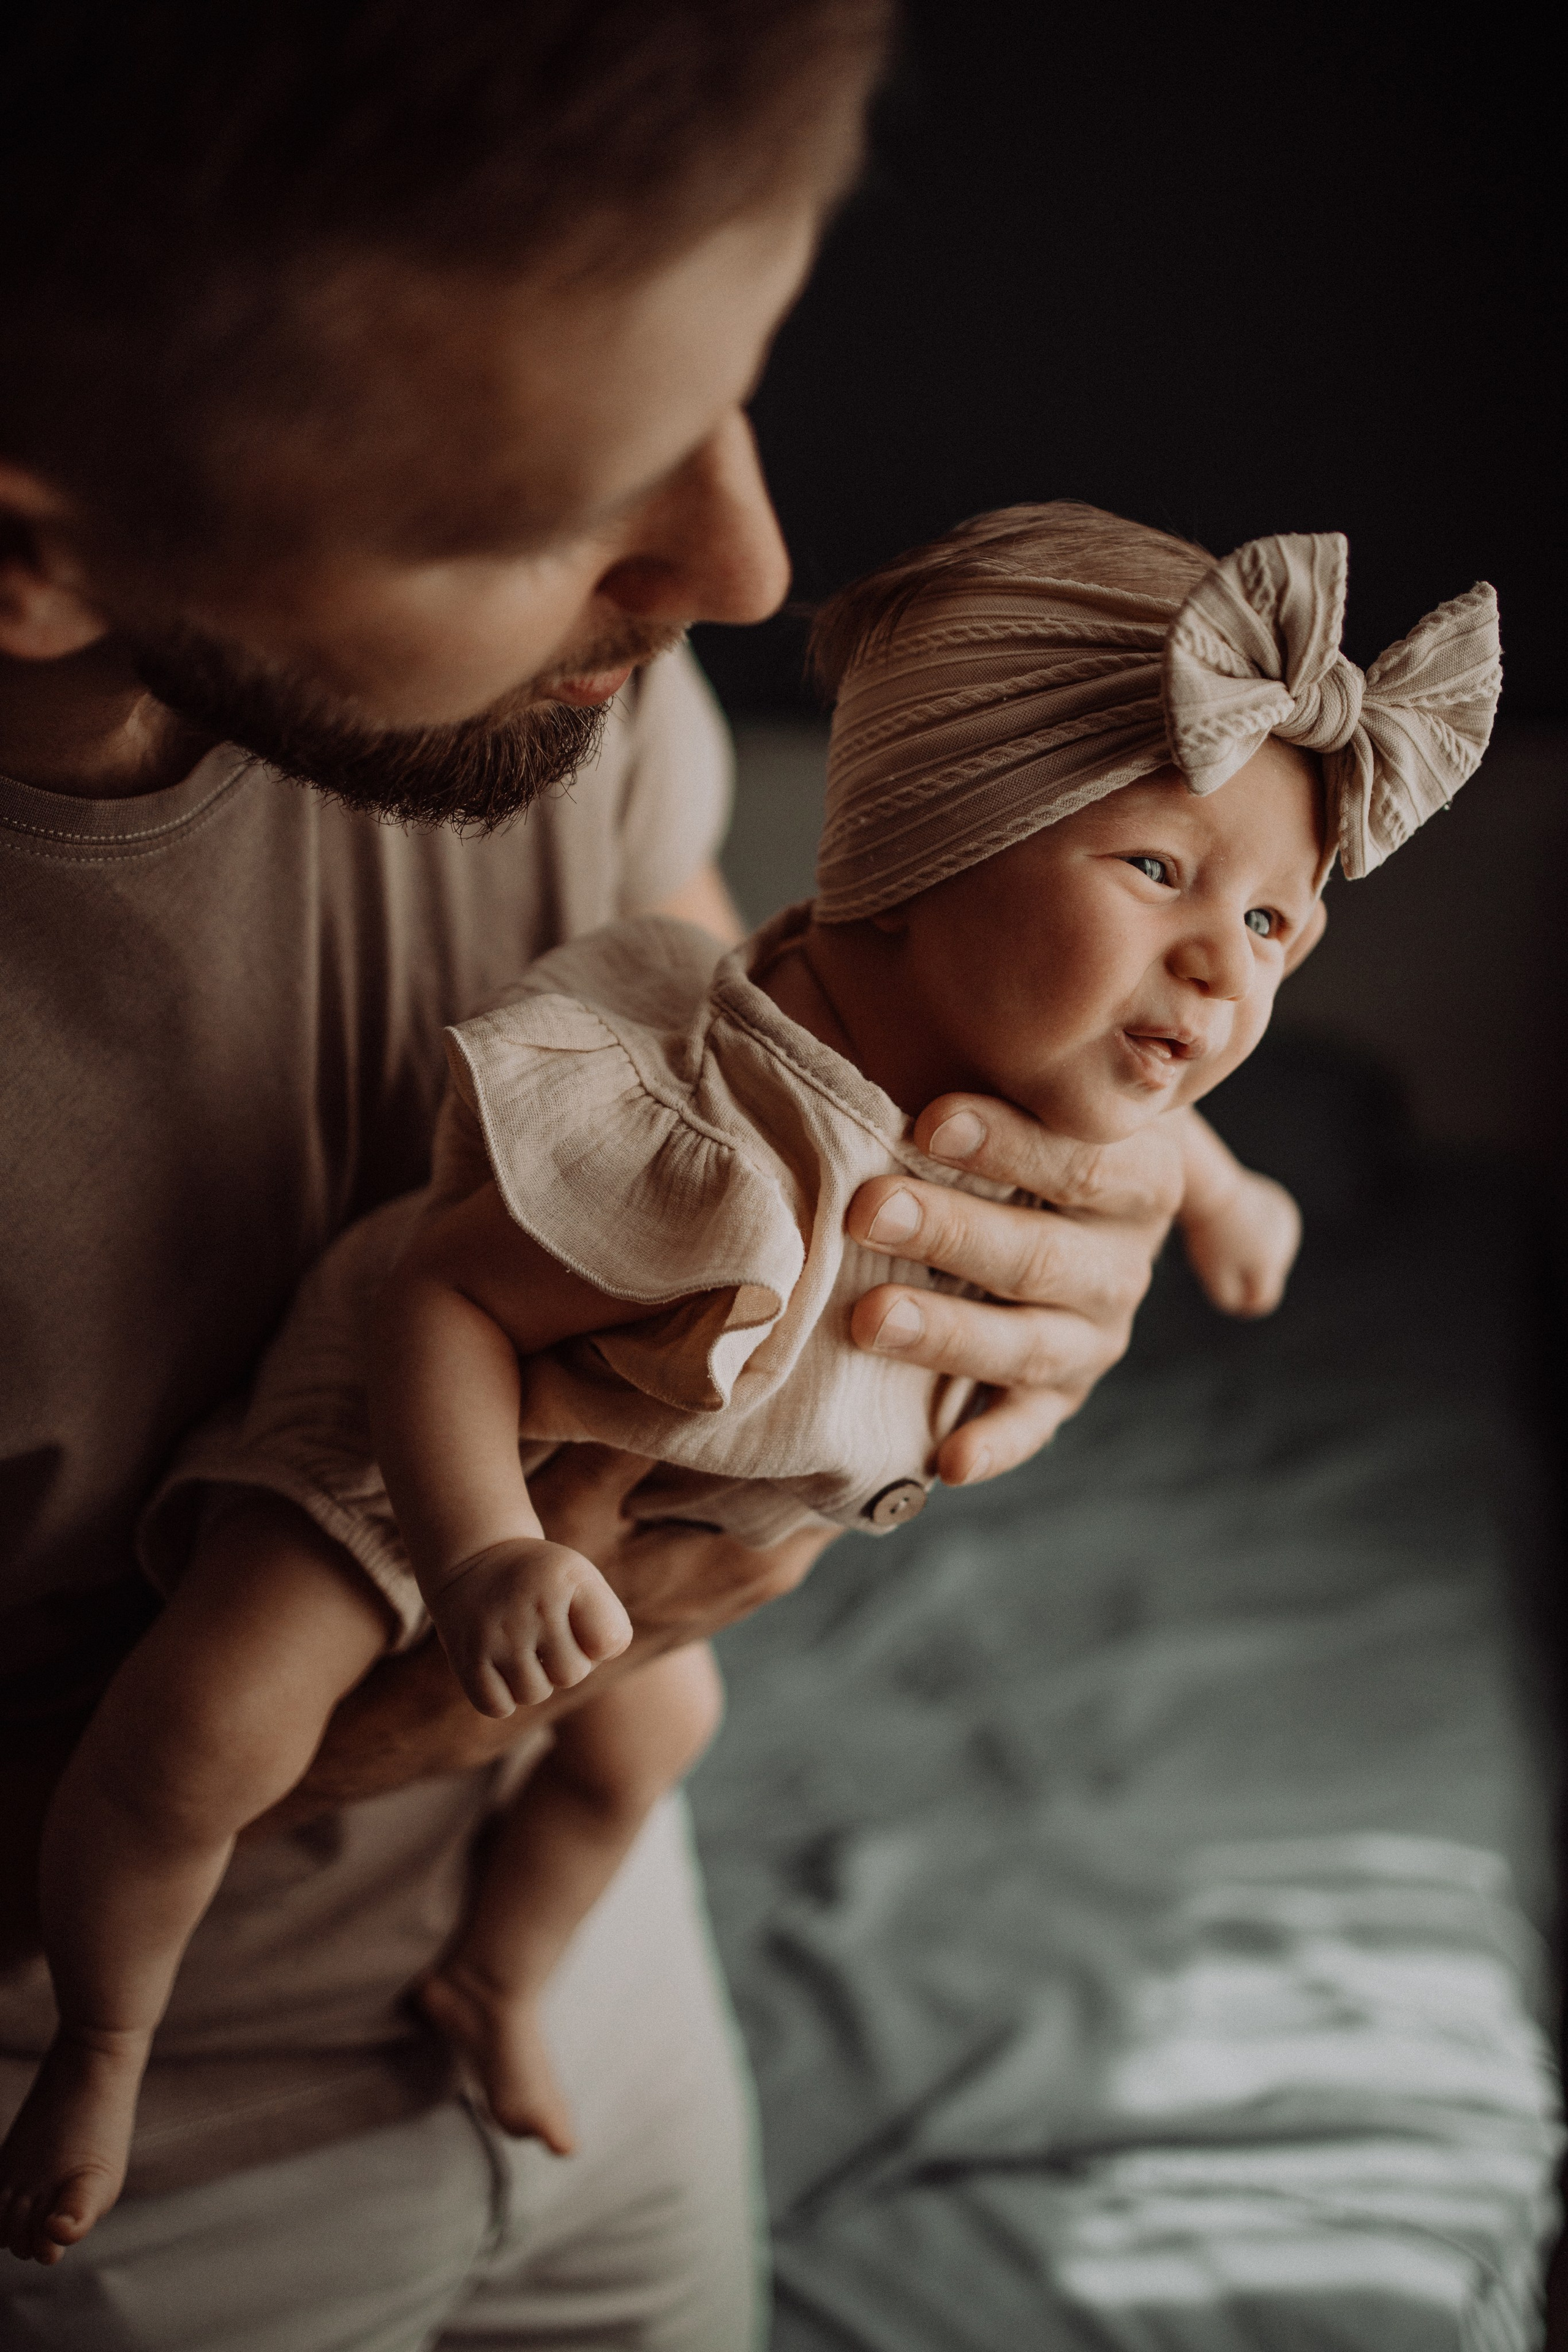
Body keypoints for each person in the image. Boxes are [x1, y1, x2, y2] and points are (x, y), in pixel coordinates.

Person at [0, 10, 1196, 2345]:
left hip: (592, 2007)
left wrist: (1055, 1213)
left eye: (725, 396)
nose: (743, 571)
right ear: (33, 559)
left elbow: (743, 1032)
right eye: (545, 498)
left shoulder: (559, 680)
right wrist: (431, 1684)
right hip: (129, 2204)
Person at [0, 502, 1503, 2273]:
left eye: (1273, 924)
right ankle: (101, 2049)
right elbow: (439, 1301)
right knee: (203, 1730)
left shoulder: (1031, 1054)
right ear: (940, 843)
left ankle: (496, 1969)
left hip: (631, 1484)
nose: (1222, 968)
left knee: (648, 1740)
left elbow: (1168, 1111)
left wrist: (1223, 1195)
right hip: (417, 1438)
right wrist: (479, 1556)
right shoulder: (717, 1159)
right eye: (1162, 875)